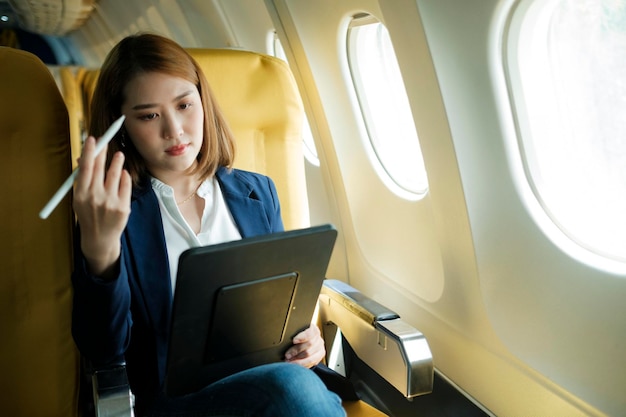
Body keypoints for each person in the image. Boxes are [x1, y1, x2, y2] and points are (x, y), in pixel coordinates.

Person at [71, 33, 346, 417]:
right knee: (292, 389)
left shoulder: (258, 192)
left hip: (273, 383)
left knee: (293, 385)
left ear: (203, 100)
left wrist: (309, 342)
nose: (175, 130)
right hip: (178, 402)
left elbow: (284, 307)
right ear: (121, 128)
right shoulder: (108, 208)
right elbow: (104, 351)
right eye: (149, 115)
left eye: (184, 105)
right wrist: (101, 250)